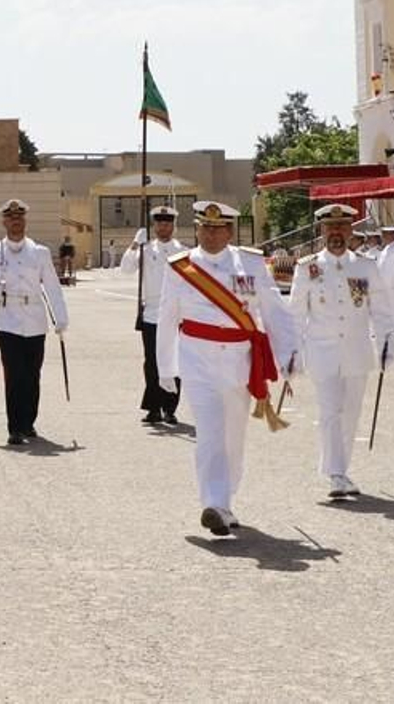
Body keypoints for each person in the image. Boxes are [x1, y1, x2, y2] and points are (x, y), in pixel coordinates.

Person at [156, 201, 297, 537]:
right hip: (197, 359)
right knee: (209, 431)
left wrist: (288, 356)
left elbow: (274, 312)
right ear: (196, 229)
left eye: (217, 228)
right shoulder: (180, 266)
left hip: (238, 360)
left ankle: (226, 499)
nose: (210, 234)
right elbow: (167, 315)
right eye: (204, 227)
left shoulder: (250, 263)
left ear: (230, 232)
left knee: (233, 435)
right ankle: (214, 503)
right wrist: (166, 367)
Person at [287, 204, 394, 499]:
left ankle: (340, 469)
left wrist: (386, 345)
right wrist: (291, 352)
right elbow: (296, 314)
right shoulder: (307, 267)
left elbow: (381, 310)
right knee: (330, 411)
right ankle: (336, 474)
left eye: (341, 227)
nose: (336, 232)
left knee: (350, 413)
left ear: (350, 231)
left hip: (356, 351)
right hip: (322, 351)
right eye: (330, 227)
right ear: (322, 231)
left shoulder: (365, 266)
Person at [0, 199, 68, 445]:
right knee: (14, 374)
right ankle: (15, 427)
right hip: (7, 319)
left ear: (25, 221)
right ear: (4, 222)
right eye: (10, 218)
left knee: (32, 374)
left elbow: (52, 286)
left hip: (35, 318)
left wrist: (60, 318)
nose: (15, 222)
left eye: (19, 218)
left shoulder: (40, 252)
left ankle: (28, 423)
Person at [120, 205, 188, 426]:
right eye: (159, 223)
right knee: (152, 362)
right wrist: (134, 244)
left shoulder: (183, 252)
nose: (163, 227)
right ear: (154, 226)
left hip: (176, 315)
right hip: (151, 313)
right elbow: (126, 268)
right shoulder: (146, 249)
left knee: (174, 362)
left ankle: (170, 408)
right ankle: (153, 408)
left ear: (173, 226)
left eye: (167, 223)